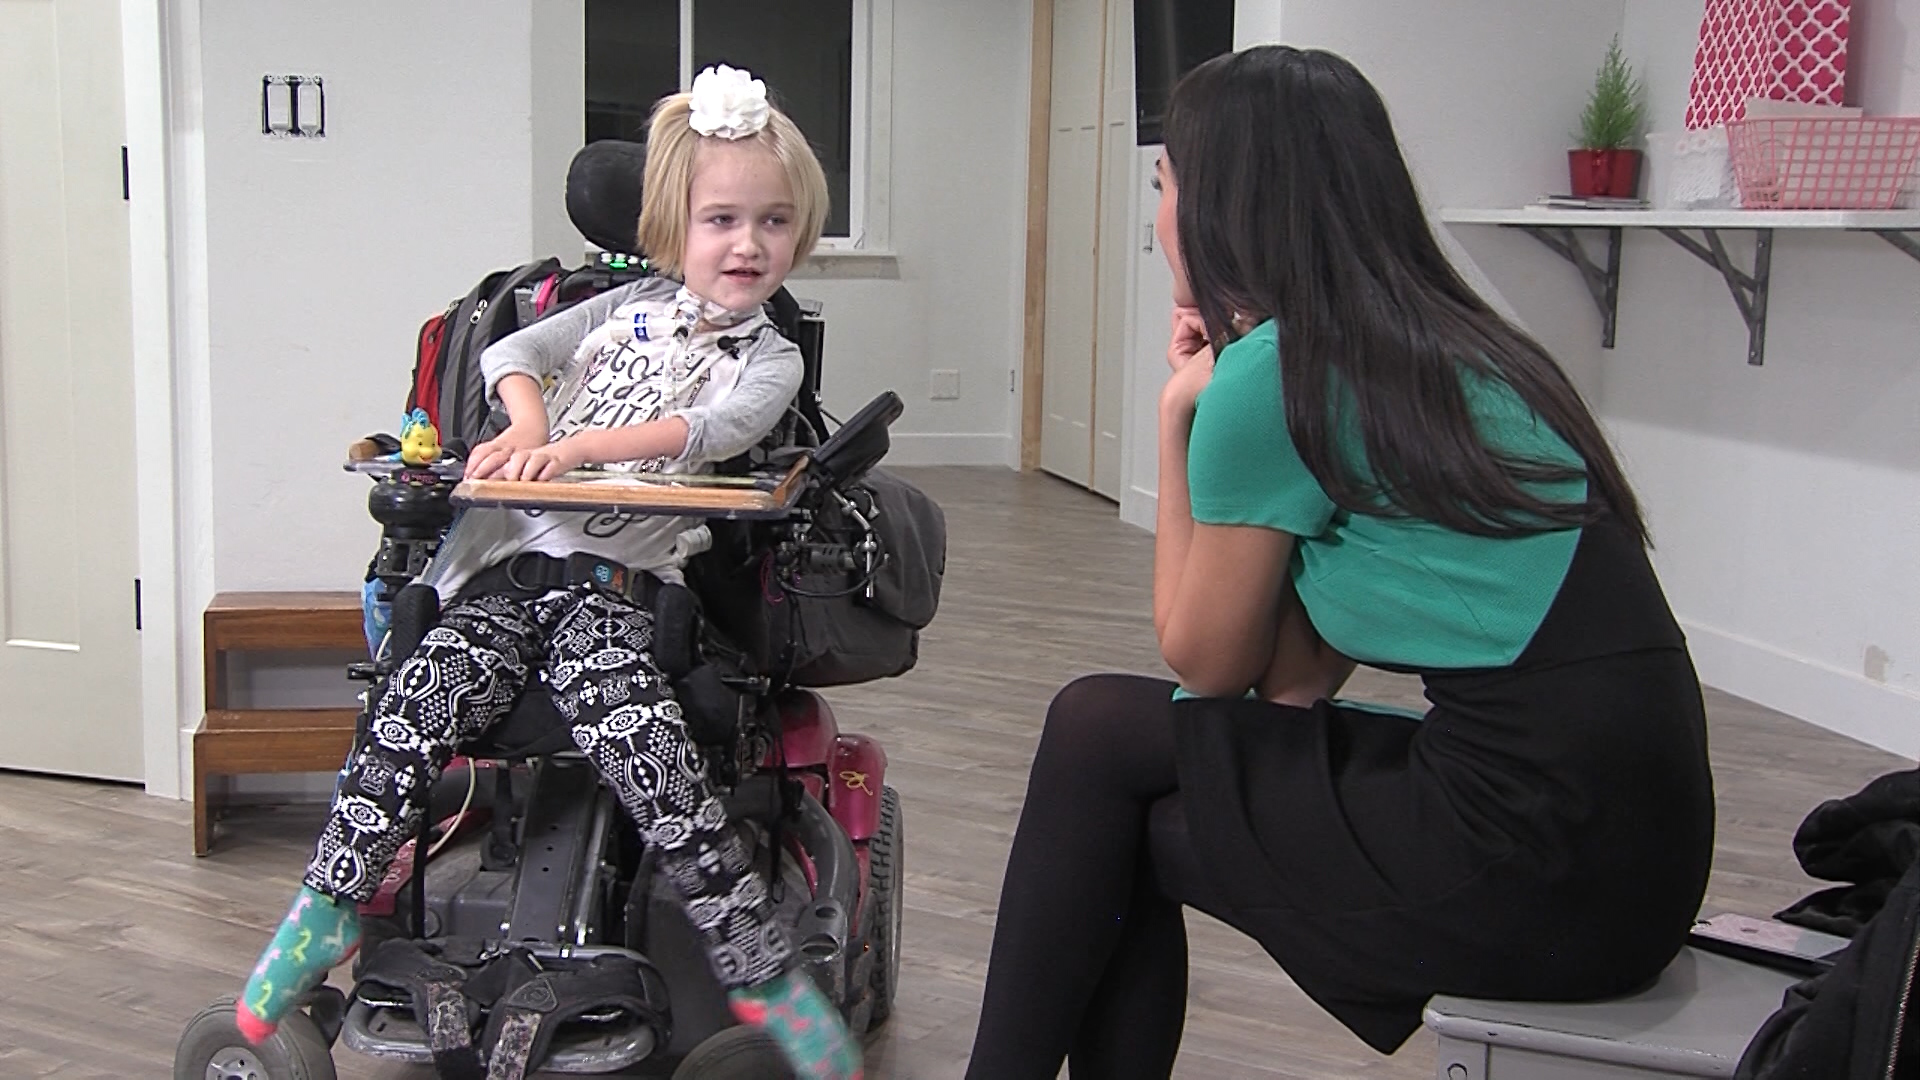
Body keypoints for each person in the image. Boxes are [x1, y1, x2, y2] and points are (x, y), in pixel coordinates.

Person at [965, 45, 1715, 1078]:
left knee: (1095, 729)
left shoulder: (1280, 376)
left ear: (1225, 200)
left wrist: (1178, 416)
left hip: (1539, 863)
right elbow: (1295, 683)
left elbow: (1208, 667)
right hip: (1623, 858)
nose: (1158, 216)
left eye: (1162, 184)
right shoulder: (1446, 346)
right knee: (1124, 813)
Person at [236, 65, 863, 1080]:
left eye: (774, 222)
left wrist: (575, 453)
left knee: (645, 750)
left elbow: (719, 427)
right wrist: (528, 424)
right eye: (721, 220)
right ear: (671, 229)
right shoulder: (617, 312)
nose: (748, 245)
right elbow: (510, 356)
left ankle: (758, 964)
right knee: (410, 710)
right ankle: (328, 907)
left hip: (611, 590)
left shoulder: (769, 355)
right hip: (506, 573)